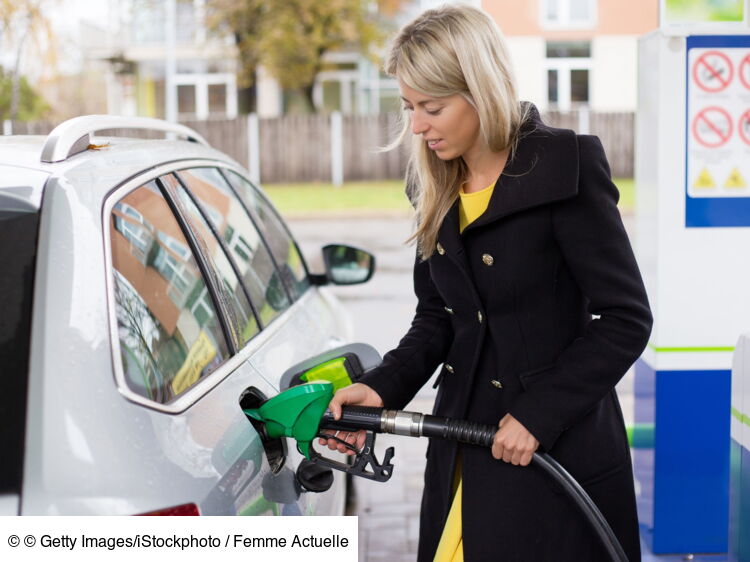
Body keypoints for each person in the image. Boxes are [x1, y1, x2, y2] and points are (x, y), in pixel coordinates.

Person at [319, 4, 652, 561]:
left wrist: (539, 414)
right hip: (463, 447)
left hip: (552, 456)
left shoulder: (566, 166)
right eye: (408, 107)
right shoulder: (432, 183)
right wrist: (380, 390)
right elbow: (438, 318)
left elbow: (626, 319)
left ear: (480, 88)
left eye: (432, 107)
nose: (417, 126)